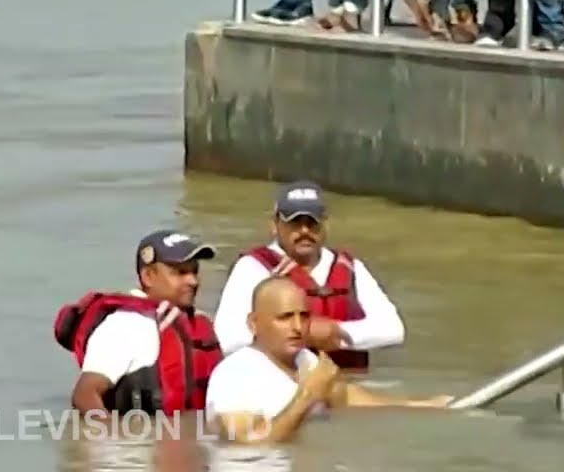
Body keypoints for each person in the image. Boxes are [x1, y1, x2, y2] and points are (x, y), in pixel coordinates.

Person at [206, 277, 449, 445]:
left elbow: (347, 398)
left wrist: (420, 406)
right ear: (254, 324)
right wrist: (308, 395)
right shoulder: (235, 375)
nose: (298, 327)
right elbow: (248, 443)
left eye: (304, 316)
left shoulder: (305, 360)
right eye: (285, 318)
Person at [212, 181, 405, 371]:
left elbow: (393, 330)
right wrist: (303, 334)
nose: (304, 231)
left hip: (346, 386)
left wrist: (336, 333)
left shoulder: (351, 267)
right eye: (295, 222)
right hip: (284, 385)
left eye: (312, 223)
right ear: (274, 225)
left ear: (325, 225)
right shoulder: (252, 268)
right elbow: (227, 338)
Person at [54, 230, 223, 416]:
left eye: (194, 271)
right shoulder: (127, 325)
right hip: (140, 441)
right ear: (148, 276)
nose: (192, 280)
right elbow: (85, 394)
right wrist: (116, 437)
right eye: (180, 272)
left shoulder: (197, 321)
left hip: (187, 438)